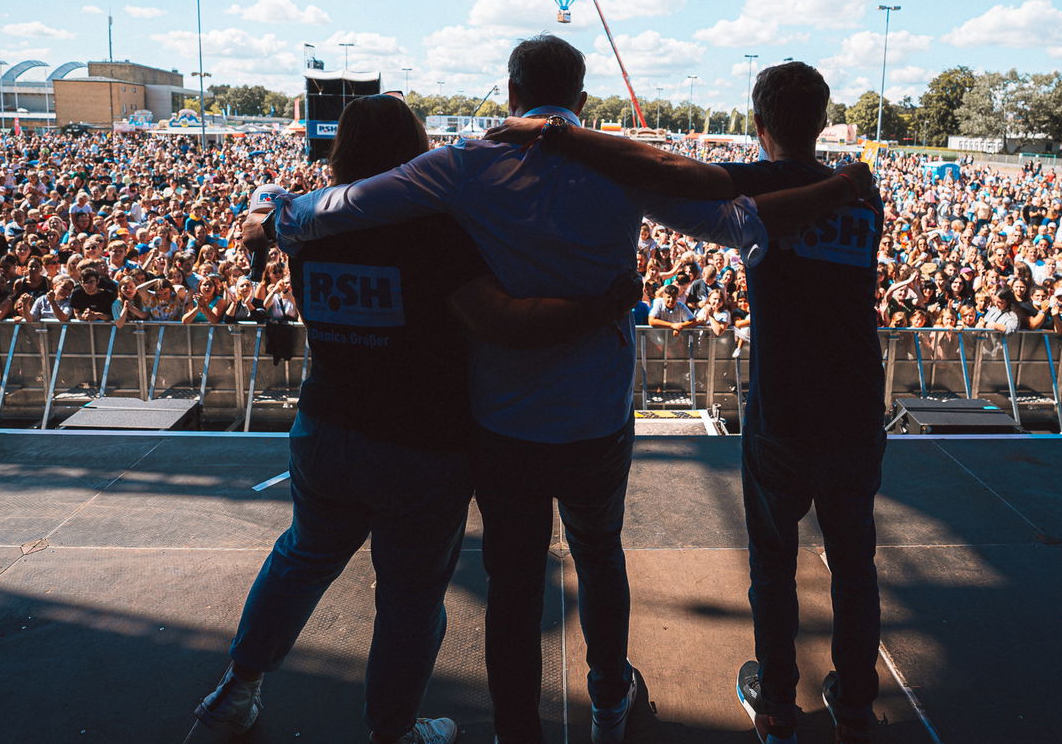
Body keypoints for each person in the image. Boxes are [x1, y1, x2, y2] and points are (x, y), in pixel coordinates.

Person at [254, 36, 867, 744]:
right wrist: (847, 187)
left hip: (501, 418)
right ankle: (609, 700)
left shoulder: (462, 165)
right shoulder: (620, 168)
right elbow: (741, 224)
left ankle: (518, 728)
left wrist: (276, 218)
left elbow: (345, 204)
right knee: (600, 554)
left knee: (513, 586)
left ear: (511, 96)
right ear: (581, 100)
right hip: (597, 415)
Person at [202, 95, 642, 744]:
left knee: (300, 558)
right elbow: (497, 320)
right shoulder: (434, 231)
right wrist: (601, 308)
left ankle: (234, 691)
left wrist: (260, 207)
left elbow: (265, 215)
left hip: (326, 427)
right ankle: (392, 730)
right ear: (417, 148)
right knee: (408, 600)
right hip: (420, 447)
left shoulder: (306, 226)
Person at [486, 61, 886, 744]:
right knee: (854, 562)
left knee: (773, 560)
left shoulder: (764, 181)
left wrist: (555, 134)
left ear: (758, 124)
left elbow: (673, 174)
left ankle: (778, 704)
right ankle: (854, 705)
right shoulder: (862, 191)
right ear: (822, 120)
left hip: (785, 404)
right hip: (855, 402)